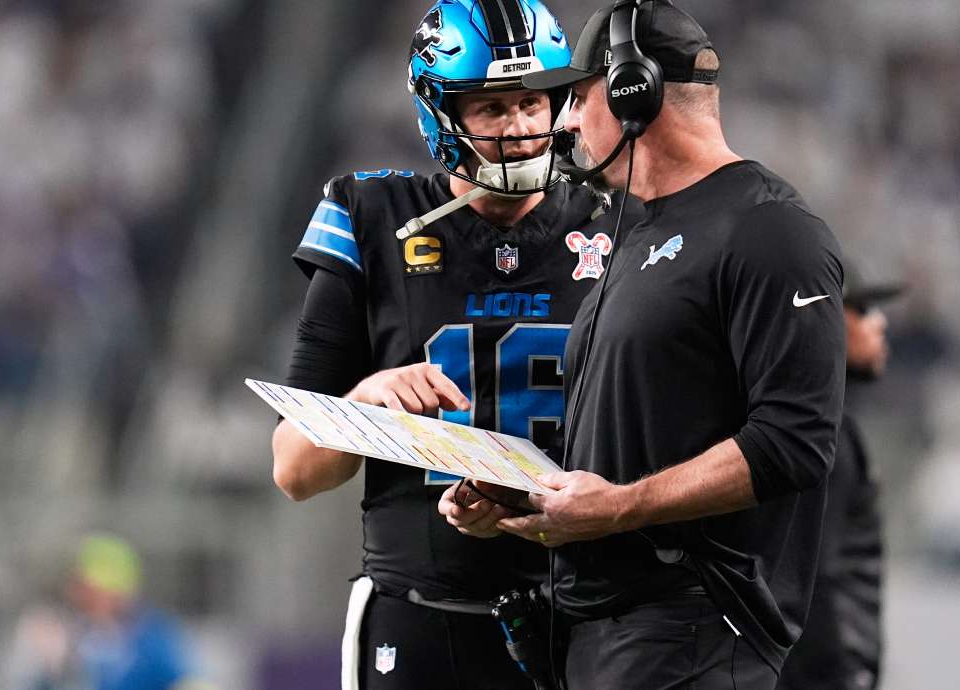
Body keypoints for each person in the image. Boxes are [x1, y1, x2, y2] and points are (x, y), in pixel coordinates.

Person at [441, 2, 846, 688]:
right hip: (605, 636)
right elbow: (627, 439)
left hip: (693, 633)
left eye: (577, 96)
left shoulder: (771, 231)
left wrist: (620, 506)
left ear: (634, 90)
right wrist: (525, 495)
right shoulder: (634, 236)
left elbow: (795, 442)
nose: (564, 120)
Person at [268, 1, 634, 687]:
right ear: (441, 113)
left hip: (590, 615)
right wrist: (365, 402)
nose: (521, 128)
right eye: (492, 109)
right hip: (421, 616)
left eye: (534, 102)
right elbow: (294, 470)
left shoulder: (624, 224)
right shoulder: (371, 218)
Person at [778, 267, 903, 690]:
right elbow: (814, 578)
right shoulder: (823, 437)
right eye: (863, 309)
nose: (879, 322)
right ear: (828, 317)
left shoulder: (797, 422)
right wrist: (839, 676)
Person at [6, 534, 204, 690]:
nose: (83, 597)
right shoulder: (60, 631)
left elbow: (185, 680)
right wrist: (55, 666)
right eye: (81, 588)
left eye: (93, 590)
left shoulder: (152, 636)